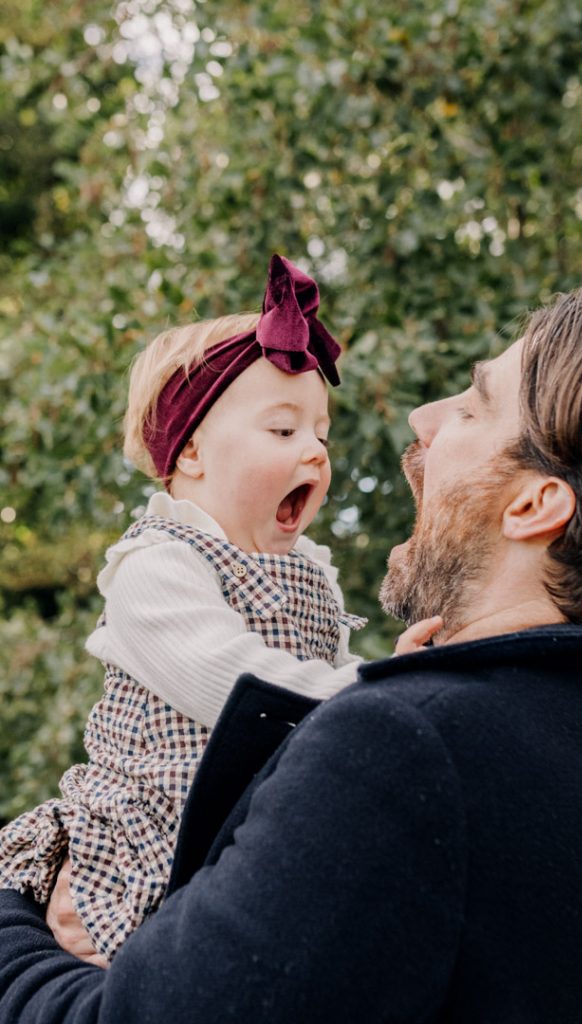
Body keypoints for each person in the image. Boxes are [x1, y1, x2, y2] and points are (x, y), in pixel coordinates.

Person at [0, 286, 582, 1023]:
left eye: (472, 406)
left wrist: (11, 912)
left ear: (531, 506)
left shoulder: (399, 746)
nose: (421, 418)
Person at [0, 253, 392, 965]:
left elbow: (335, 680)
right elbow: (236, 682)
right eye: (282, 431)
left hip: (242, 832)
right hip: (142, 845)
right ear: (190, 455)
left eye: (321, 434)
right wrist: (384, 692)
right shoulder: (156, 563)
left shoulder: (311, 573)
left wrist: (402, 673)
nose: (314, 451)